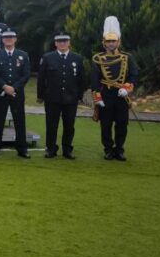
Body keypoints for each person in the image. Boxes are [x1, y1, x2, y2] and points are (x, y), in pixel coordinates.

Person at [91, 16, 139, 161]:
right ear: (104, 43)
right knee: (105, 125)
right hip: (106, 94)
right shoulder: (98, 58)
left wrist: (127, 87)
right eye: (108, 41)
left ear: (119, 42)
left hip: (121, 95)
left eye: (113, 41)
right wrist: (97, 97)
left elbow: (134, 74)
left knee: (122, 124)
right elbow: (94, 80)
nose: (111, 44)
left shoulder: (127, 57)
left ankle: (119, 149)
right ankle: (108, 149)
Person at [37, 31, 86, 159]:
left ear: (69, 43)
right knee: (51, 125)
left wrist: (80, 96)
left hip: (71, 98)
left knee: (69, 125)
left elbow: (82, 79)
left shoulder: (77, 58)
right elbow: (41, 78)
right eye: (59, 41)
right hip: (52, 98)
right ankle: (51, 149)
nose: (62, 43)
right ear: (55, 43)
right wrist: (40, 95)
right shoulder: (48, 57)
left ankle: (67, 149)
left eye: (65, 41)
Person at [0, 28, 31, 158]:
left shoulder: (22, 55)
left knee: (19, 121)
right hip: (0, 93)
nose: (8, 40)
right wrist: (4, 86)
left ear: (15, 39)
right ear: (2, 40)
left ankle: (22, 149)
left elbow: (26, 75)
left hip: (16, 93)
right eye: (6, 38)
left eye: (11, 37)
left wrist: (14, 87)